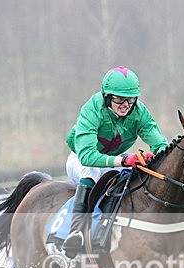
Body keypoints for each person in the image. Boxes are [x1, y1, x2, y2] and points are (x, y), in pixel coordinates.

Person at [62, 66, 169, 257]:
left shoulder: (139, 112)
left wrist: (157, 157)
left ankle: (111, 226)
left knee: (134, 177)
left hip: (113, 161)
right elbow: (87, 156)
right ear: (107, 96)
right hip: (81, 159)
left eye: (130, 99)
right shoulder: (92, 109)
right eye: (119, 98)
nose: (125, 104)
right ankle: (75, 231)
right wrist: (125, 159)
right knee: (91, 172)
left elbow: (159, 143)